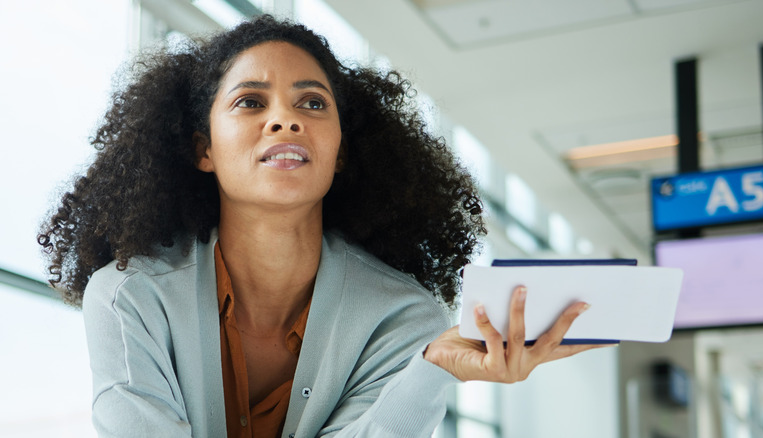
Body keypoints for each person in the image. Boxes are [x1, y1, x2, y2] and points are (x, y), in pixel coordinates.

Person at [38, 14, 599, 438]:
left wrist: (431, 371)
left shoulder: (407, 316)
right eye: (250, 102)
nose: (284, 118)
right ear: (203, 148)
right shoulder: (129, 296)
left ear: (341, 151)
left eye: (311, 103)